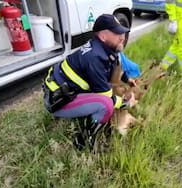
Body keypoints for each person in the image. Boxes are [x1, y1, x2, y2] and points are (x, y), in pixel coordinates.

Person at [42, 14, 136, 149]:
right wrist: (126, 103)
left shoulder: (104, 48)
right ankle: (83, 142)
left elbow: (113, 65)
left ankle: (86, 117)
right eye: (117, 33)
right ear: (103, 36)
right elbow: (108, 97)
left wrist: (127, 79)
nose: (123, 37)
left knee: (104, 97)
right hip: (57, 101)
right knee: (105, 105)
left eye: (122, 32)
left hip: (65, 90)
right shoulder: (95, 58)